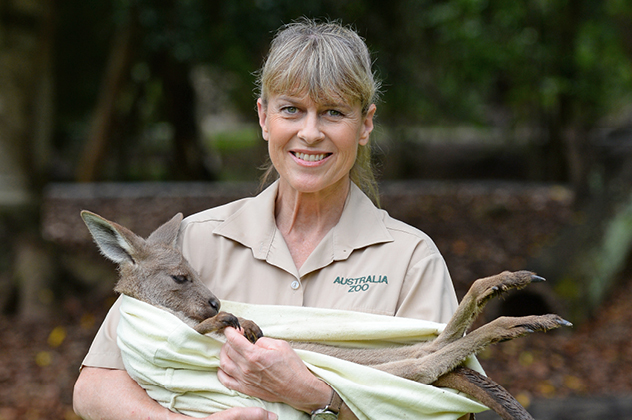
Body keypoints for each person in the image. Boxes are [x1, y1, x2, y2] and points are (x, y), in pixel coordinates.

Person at [73, 18, 462, 420]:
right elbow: (95, 386)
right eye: (291, 110)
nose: (310, 133)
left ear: (365, 124)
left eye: (333, 112)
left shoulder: (411, 259)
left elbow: (449, 408)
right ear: (263, 117)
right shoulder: (190, 242)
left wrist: (316, 396)